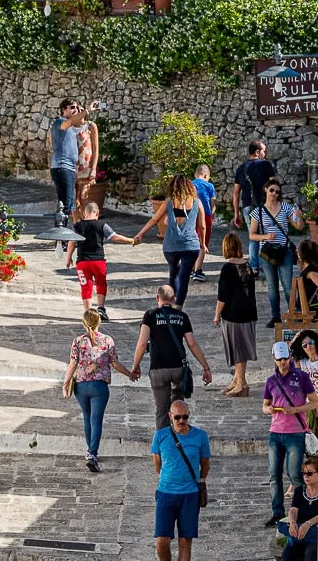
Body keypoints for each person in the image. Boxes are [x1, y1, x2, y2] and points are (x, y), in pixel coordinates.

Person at [129, 284, 214, 428]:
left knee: (162, 410)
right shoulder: (182, 317)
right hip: (178, 368)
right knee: (177, 407)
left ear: (158, 298)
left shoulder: (150, 315)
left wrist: (135, 366)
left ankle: (162, 446)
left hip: (158, 369)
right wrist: (206, 367)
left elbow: (142, 344)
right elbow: (192, 344)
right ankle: (178, 437)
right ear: (174, 299)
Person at [65, 307, 126, 473]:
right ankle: (92, 453)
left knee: (87, 417)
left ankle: (89, 451)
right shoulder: (107, 340)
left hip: (81, 385)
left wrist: (65, 383)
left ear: (84, 323)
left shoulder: (78, 341)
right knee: (96, 420)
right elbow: (115, 363)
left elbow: (72, 364)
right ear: (99, 321)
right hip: (99, 386)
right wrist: (130, 374)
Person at [150, 400, 212, 561]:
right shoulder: (160, 436)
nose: (181, 421)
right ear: (170, 416)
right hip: (166, 494)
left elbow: (205, 464)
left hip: (190, 495)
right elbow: (158, 464)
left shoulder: (200, 436)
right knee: (161, 541)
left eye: (185, 417)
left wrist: (200, 480)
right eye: (177, 417)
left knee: (185, 541)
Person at [263, 340, 316, 527]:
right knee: (274, 475)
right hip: (275, 432)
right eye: (279, 359)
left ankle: (300, 510)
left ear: (290, 357)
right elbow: (265, 405)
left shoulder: (301, 377)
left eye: (285, 358)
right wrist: (269, 410)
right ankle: (277, 512)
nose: (283, 362)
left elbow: (314, 402)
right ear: (274, 359)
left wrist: (297, 409)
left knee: (294, 474)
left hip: (295, 432)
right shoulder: (271, 381)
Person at [134, 174, 206, 305]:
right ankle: (178, 307)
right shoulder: (197, 202)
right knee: (184, 278)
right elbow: (202, 226)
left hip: (171, 246)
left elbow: (155, 219)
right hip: (190, 246)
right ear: (190, 187)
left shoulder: (169, 202)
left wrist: (140, 234)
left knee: (173, 272)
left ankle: (169, 304)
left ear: (173, 187)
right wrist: (203, 243)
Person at [248, 182, 302, 327]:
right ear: (266, 190)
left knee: (288, 285)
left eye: (277, 192)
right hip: (267, 252)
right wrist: (265, 237)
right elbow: (252, 235)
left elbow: (298, 226)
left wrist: (298, 217)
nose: (274, 194)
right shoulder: (258, 211)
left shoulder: (285, 208)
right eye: (272, 190)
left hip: (284, 251)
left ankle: (293, 313)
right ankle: (275, 316)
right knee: (272, 286)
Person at [212, 234, 259, 395]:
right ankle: (237, 380)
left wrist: (217, 314)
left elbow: (223, 296)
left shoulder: (227, 269)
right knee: (242, 347)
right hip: (249, 311)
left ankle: (242, 383)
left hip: (233, 314)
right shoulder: (247, 265)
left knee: (237, 348)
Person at [49, 100, 94, 264]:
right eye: (72, 107)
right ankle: (60, 239)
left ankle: (61, 238)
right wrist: (87, 110)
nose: (75, 110)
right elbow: (72, 122)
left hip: (68, 169)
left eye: (77, 107)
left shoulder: (71, 127)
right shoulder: (60, 123)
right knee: (66, 204)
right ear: (63, 110)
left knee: (67, 203)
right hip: (62, 167)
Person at [281, 457, 318, 561]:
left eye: (309, 473)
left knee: (310, 554)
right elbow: (293, 509)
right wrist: (292, 522)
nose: (305, 476)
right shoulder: (299, 491)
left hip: (315, 534)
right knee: (287, 554)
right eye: (304, 473)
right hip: (298, 533)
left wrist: (308, 524)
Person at [70, 200, 116, 313]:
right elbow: (115, 237)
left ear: (84, 213)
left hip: (82, 262)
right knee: (101, 283)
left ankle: (88, 312)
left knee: (86, 287)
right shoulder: (102, 225)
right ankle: (101, 309)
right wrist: (132, 240)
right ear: (97, 212)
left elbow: (72, 243)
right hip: (98, 261)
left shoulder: (77, 226)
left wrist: (68, 258)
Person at [232, 140, 278, 231]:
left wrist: (236, 214)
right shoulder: (266, 164)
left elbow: (236, 193)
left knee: (254, 238)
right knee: (267, 238)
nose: (265, 154)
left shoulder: (241, 169)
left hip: (247, 206)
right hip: (265, 205)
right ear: (257, 152)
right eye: (264, 151)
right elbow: (274, 186)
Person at [292, 238, 318, 321]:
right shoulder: (310, 269)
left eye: (298, 251)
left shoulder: (310, 272)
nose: (297, 253)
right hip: (305, 308)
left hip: (307, 309)